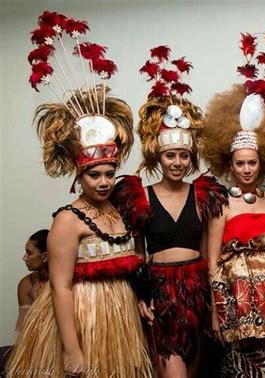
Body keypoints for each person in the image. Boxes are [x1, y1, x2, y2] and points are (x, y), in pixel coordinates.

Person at [7, 11, 152, 377]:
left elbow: (128, 267)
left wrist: (138, 302)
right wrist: (72, 350)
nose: (103, 182)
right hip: (84, 320)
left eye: (109, 173)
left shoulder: (119, 211)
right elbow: (59, 287)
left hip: (119, 320)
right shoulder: (68, 220)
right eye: (93, 175)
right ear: (79, 175)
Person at [114, 44, 228, 378]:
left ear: (191, 158)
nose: (177, 163)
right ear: (158, 158)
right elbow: (136, 254)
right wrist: (140, 296)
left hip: (196, 291)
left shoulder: (204, 195)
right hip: (160, 294)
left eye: (183, 156)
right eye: (170, 156)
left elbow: (210, 255)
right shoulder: (140, 197)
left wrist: (215, 309)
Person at [199, 25, 265, 377]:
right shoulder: (221, 204)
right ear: (230, 164)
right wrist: (215, 310)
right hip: (237, 312)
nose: (246, 169)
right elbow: (211, 262)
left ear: (262, 162)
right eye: (239, 163)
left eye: (252, 162)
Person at [15, 229, 49, 331]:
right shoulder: (27, 284)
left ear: (45, 256)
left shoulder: (70, 281)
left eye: (29, 253)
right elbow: (25, 329)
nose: (24, 258)